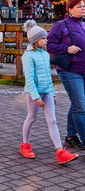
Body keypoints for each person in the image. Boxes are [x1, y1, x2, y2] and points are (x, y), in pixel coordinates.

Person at [20, 20, 78, 164]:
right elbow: (29, 79)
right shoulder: (28, 56)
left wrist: (52, 93)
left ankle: (60, 152)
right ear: (35, 40)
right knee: (31, 118)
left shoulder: (46, 55)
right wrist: (35, 97)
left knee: (52, 120)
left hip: (46, 92)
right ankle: (25, 145)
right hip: (35, 93)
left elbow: (48, 76)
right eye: (44, 38)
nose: (47, 40)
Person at [47, 0, 85, 149]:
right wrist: (66, 49)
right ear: (70, 9)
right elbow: (50, 45)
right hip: (70, 71)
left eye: (84, 6)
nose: (83, 8)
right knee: (81, 107)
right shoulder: (61, 25)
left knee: (77, 104)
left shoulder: (83, 24)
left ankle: (71, 136)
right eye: (79, 6)